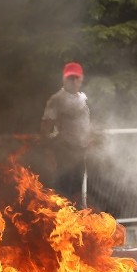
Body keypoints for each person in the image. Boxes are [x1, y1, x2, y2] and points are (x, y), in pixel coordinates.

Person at [40, 62, 90, 206]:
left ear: (81, 79)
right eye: (70, 78)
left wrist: (91, 139)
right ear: (64, 79)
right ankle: (61, 225)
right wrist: (48, 152)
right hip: (64, 152)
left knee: (77, 194)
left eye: (76, 78)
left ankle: (76, 225)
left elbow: (83, 126)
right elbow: (45, 126)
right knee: (63, 194)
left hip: (80, 153)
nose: (73, 81)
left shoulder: (81, 99)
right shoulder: (57, 99)